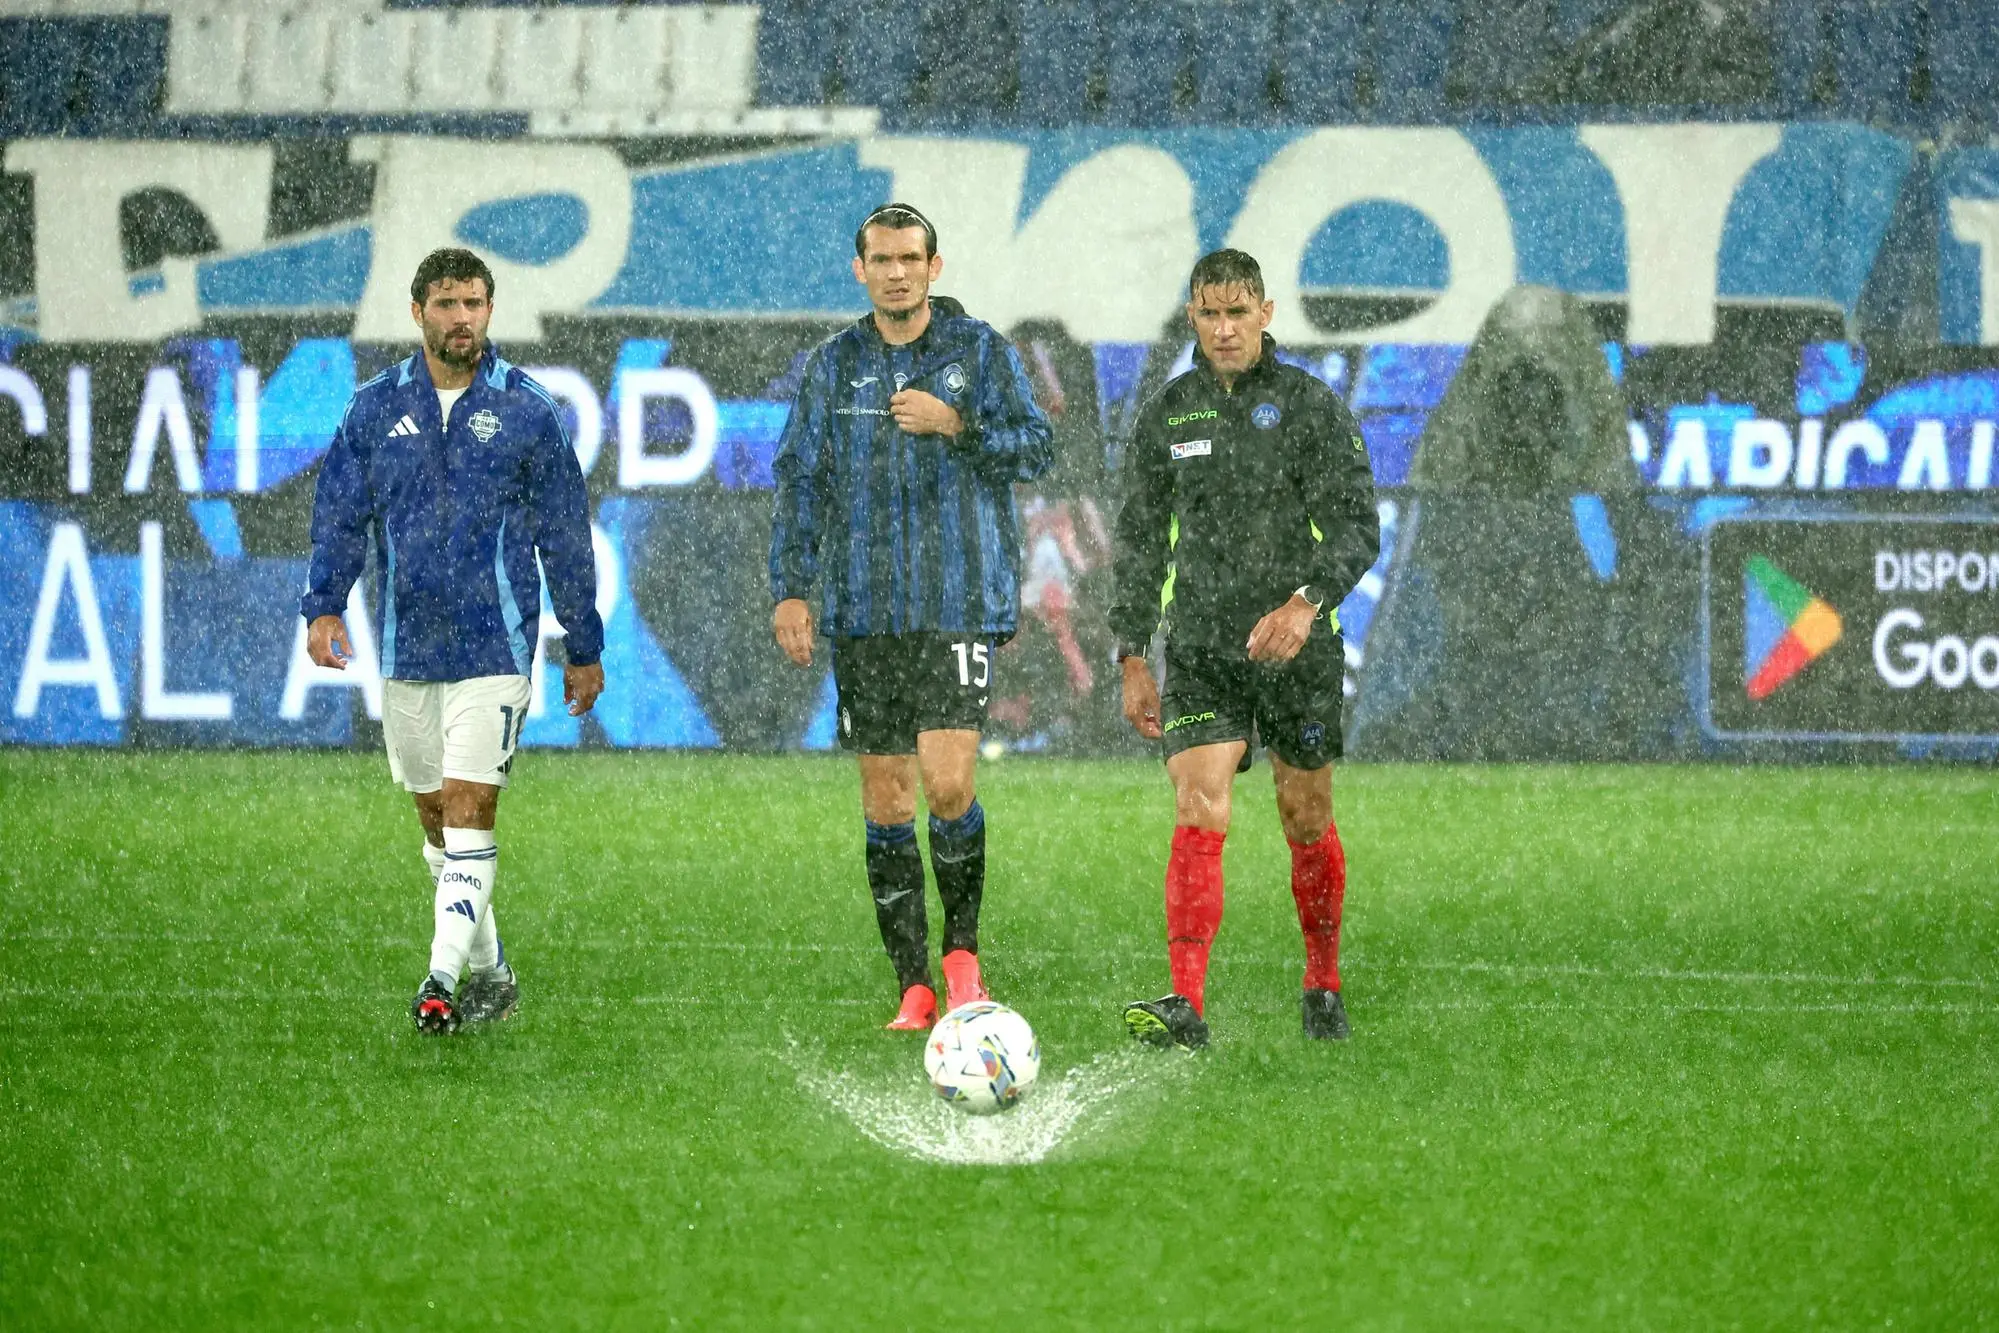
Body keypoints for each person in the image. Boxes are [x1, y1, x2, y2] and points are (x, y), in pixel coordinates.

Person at [301, 247, 605, 1035]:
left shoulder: (529, 410)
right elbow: (339, 512)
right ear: (417, 313)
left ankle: (438, 982)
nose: (461, 318)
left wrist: (583, 641)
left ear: (490, 312)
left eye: (473, 303)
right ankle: (492, 972)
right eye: (445, 304)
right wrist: (324, 605)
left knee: (472, 811)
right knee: (438, 823)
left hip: (494, 647)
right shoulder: (373, 409)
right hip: (406, 649)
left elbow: (565, 535)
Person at [770, 203, 1054, 1030]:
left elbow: (1036, 448)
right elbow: (801, 482)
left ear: (936, 267)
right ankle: (912, 982)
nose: (896, 271)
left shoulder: (979, 353)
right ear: (859, 270)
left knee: (948, 780)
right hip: (864, 609)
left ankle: (961, 955)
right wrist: (792, 587)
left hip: (957, 600)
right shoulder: (833, 367)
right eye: (881, 259)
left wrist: (956, 424)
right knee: (886, 800)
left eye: (910, 258)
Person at [1110, 248, 1379, 1049]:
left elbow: (1358, 527)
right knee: (1198, 803)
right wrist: (1130, 652)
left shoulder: (1309, 407)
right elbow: (1136, 542)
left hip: (1297, 654)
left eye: (1238, 312)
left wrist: (1304, 606)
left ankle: (1321, 981)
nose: (1223, 329)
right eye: (1208, 313)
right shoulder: (1169, 414)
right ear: (1191, 317)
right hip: (1200, 649)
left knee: (1305, 816)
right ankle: (1185, 1004)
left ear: (1266, 313)